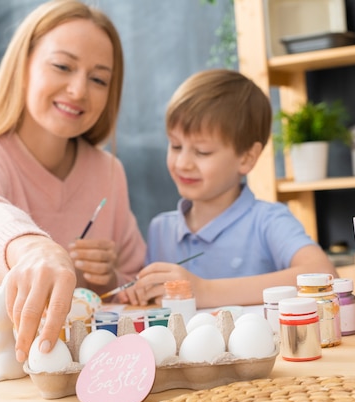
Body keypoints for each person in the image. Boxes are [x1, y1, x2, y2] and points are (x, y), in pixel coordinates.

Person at [0, 0, 145, 363]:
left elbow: (135, 285)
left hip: (84, 363)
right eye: (62, 66)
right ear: (23, 65)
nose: (79, 90)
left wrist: (109, 278)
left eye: (98, 79)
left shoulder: (110, 171)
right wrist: (34, 250)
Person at [121, 69, 336, 308]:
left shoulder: (268, 221)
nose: (182, 163)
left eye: (202, 152)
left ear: (246, 157)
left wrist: (205, 292)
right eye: (175, 146)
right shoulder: (160, 229)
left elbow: (323, 274)